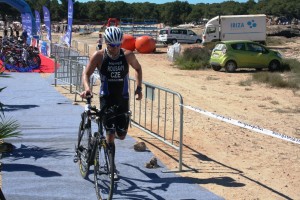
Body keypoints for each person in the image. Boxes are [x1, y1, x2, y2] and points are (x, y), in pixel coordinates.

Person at [80, 27, 143, 175]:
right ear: (106, 42)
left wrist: (139, 88)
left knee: (121, 136)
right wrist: (87, 88)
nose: (115, 48)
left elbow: (138, 69)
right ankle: (111, 166)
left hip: (123, 98)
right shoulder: (99, 56)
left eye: (117, 45)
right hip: (106, 98)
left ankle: (107, 136)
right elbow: (86, 73)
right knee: (110, 134)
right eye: (111, 45)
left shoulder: (127, 55)